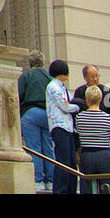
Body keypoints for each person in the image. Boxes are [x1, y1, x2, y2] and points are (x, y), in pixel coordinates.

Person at [18, 49, 54, 191]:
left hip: (31, 113)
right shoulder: (49, 77)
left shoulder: (26, 76)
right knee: (48, 147)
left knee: (34, 148)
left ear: (30, 62)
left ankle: (38, 180)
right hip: (48, 114)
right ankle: (50, 180)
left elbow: (19, 95)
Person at [74, 85, 110, 194]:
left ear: (87, 100)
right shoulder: (109, 119)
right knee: (107, 187)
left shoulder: (80, 118)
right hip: (104, 154)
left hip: (87, 154)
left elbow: (78, 134)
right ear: (101, 99)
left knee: (87, 186)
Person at [46, 59, 80, 194]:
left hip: (69, 127)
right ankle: (61, 190)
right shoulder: (53, 87)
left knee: (72, 161)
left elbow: (69, 101)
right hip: (59, 126)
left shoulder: (62, 87)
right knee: (63, 160)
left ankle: (71, 189)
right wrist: (77, 107)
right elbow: (65, 106)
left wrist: (72, 105)